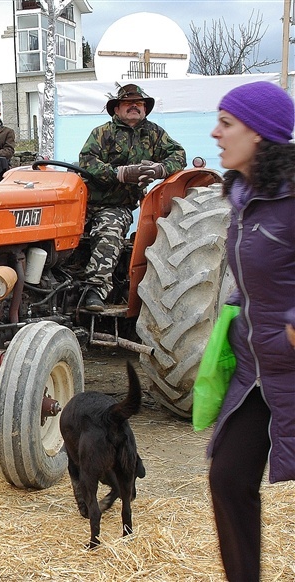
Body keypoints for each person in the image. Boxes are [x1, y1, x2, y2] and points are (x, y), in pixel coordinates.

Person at [206, 81, 295, 582]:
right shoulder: (243, 197)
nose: (215, 133)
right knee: (229, 477)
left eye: (227, 122)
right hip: (257, 370)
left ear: (259, 134)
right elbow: (256, 276)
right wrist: (235, 316)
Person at [78, 83, 186, 311]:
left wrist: (159, 170)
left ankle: (94, 290)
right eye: (128, 103)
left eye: (139, 103)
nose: (134, 107)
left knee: (109, 230)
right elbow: (87, 161)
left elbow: (178, 155)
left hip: (116, 206)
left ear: (145, 109)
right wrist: (119, 173)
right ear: (117, 109)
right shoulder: (102, 133)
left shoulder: (154, 134)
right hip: (84, 202)